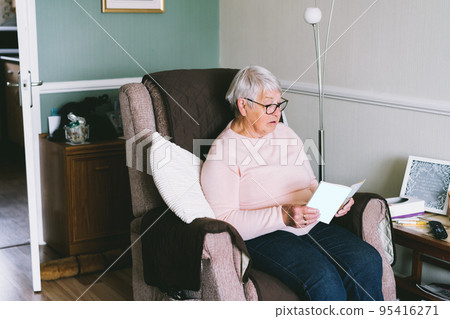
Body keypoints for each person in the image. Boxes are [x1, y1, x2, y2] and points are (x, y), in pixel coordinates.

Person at [200, 65, 383, 301]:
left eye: (279, 103)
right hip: (264, 235)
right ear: (243, 105)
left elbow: (309, 183)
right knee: (323, 279)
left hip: (309, 221)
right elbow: (223, 222)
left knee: (366, 259)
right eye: (268, 105)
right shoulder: (223, 151)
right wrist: (283, 216)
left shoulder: (285, 133)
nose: (276, 112)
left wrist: (332, 201)